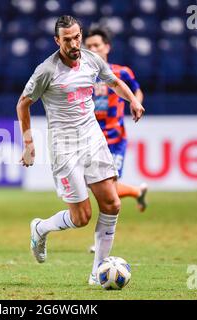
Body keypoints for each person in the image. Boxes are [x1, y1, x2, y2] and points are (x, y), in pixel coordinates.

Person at [16, 16, 145, 285]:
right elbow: (23, 104)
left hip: (93, 139)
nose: (74, 43)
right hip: (65, 147)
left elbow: (114, 82)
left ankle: (97, 273)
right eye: (67, 39)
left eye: (77, 37)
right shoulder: (46, 70)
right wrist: (29, 144)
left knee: (111, 203)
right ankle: (40, 228)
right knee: (81, 217)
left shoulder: (91, 59)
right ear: (57, 41)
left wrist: (132, 100)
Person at [85, 28, 148, 214]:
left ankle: (103, 240)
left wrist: (135, 102)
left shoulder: (121, 72)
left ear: (107, 47)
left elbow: (137, 90)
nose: (92, 49)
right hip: (91, 140)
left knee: (108, 190)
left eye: (96, 45)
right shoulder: (80, 74)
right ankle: (137, 191)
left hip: (115, 138)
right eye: (88, 46)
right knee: (96, 187)